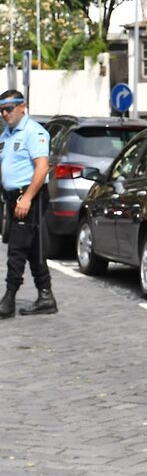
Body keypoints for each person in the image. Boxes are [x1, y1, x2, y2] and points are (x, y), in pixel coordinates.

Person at [0, 90, 56, 319]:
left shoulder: (35, 132)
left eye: (9, 109)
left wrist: (27, 198)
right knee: (34, 248)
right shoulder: (6, 134)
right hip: (13, 198)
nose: (4, 114)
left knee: (17, 249)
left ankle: (9, 298)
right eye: (1, 110)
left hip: (30, 198)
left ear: (22, 106)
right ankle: (46, 296)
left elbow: (42, 169)